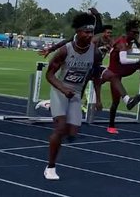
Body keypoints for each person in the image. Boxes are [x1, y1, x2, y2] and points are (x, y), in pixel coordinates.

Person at [40, 12, 98, 181]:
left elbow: (91, 75)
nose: (89, 35)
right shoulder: (65, 50)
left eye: (91, 33)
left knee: (72, 133)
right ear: (78, 32)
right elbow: (49, 75)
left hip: (76, 93)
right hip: (60, 90)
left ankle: (49, 106)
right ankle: (50, 167)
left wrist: (86, 94)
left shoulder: (95, 53)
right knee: (60, 128)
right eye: (85, 32)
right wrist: (63, 90)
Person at [104, 19, 140, 134]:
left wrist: (137, 42)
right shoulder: (122, 43)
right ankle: (111, 126)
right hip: (114, 72)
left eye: (137, 33)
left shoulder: (130, 38)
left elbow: (134, 40)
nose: (136, 35)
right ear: (128, 32)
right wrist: (139, 59)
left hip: (121, 70)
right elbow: (123, 60)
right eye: (134, 33)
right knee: (115, 101)